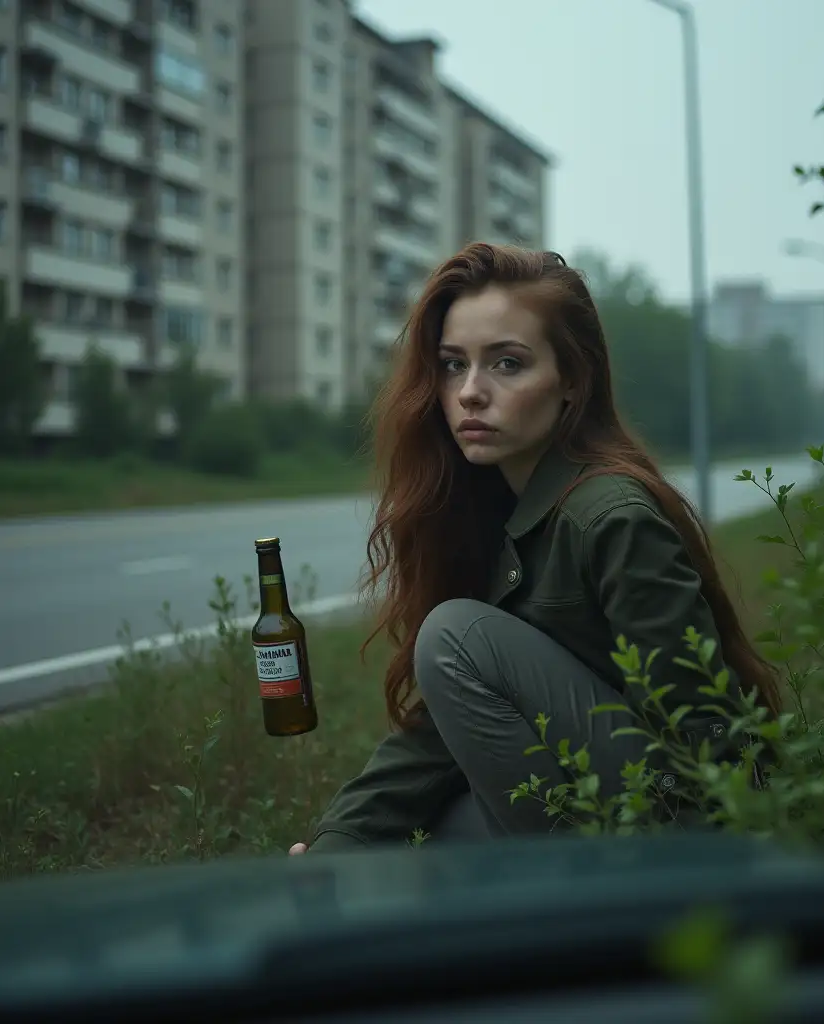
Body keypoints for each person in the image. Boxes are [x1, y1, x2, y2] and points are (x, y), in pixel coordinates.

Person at [289, 243, 780, 856]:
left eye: (507, 364)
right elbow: (437, 735)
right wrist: (339, 842)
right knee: (433, 829)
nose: (469, 392)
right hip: (608, 801)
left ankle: (579, 915)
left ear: (572, 381)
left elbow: (710, 740)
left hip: (674, 834)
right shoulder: (492, 509)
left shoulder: (611, 516)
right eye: (451, 365)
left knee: (453, 634)